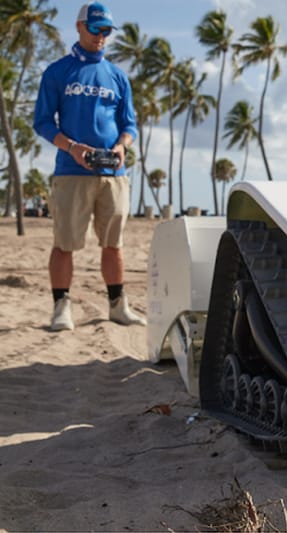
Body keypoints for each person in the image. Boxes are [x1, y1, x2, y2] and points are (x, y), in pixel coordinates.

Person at [33, 2, 146, 331]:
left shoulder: (117, 76)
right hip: (71, 173)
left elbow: (130, 125)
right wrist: (72, 147)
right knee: (65, 242)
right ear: (80, 27)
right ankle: (60, 308)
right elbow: (42, 122)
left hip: (113, 174)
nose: (101, 36)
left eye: (106, 31)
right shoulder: (58, 72)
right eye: (95, 29)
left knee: (114, 244)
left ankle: (117, 305)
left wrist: (122, 146)